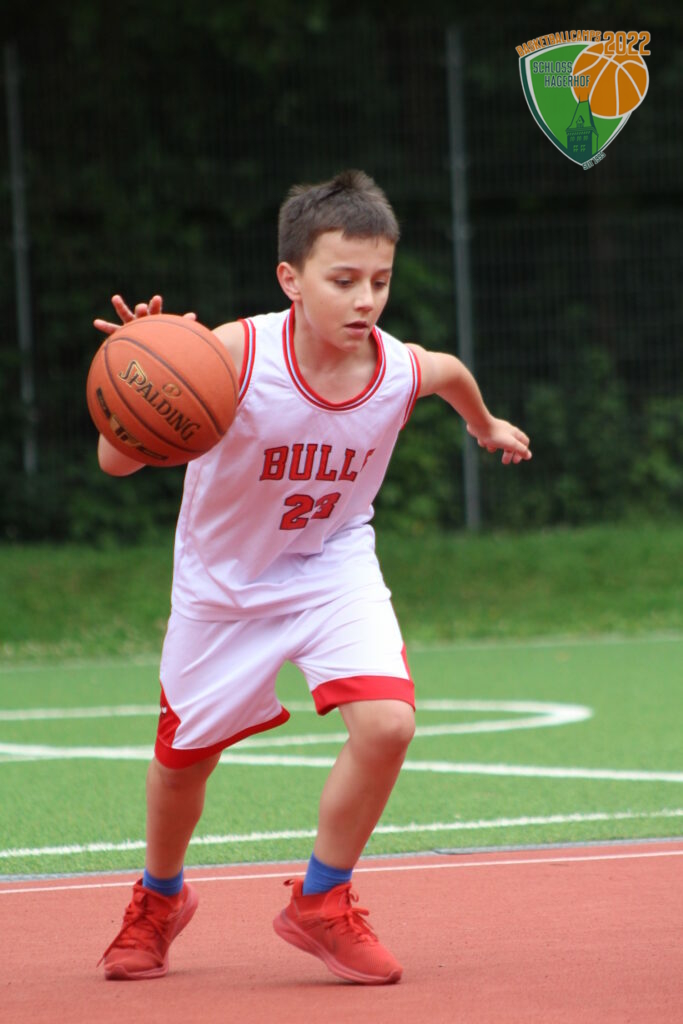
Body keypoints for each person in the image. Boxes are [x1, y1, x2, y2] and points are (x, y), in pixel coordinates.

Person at [96, 169, 531, 985]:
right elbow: (115, 463)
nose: (365, 300)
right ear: (290, 280)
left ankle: (321, 900)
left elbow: (447, 372)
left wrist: (485, 424)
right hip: (224, 586)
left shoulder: (395, 368)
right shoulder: (232, 354)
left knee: (388, 725)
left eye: (380, 281)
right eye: (343, 280)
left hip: (332, 567)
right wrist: (142, 369)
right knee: (183, 765)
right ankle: (159, 897)